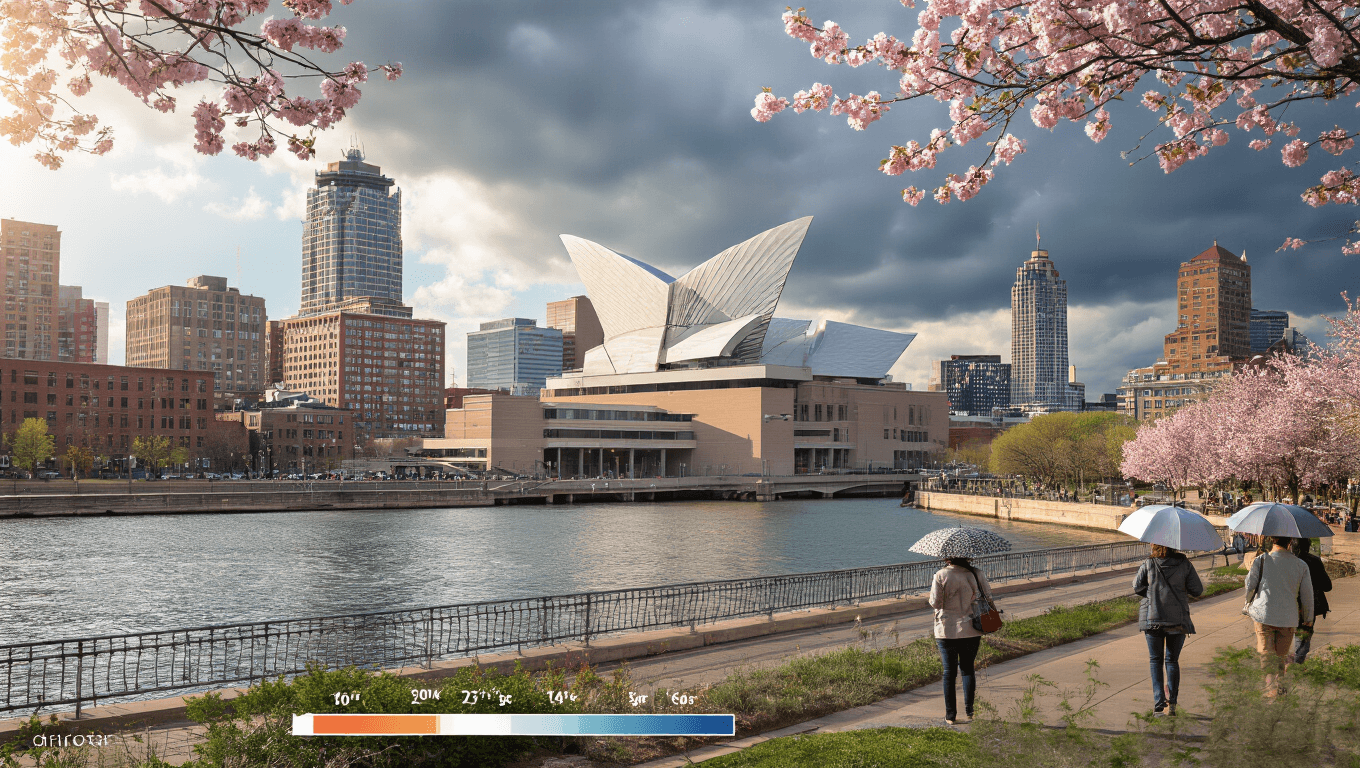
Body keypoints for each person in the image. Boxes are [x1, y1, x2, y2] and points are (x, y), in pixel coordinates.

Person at [1133, 544, 1204, 716]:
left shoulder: (1149, 564)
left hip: (1152, 619)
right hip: (1177, 620)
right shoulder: (1184, 563)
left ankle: (1158, 703)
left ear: (1154, 545)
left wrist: (1152, 593)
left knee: (1155, 660)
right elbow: (1197, 590)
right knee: (1172, 661)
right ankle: (1172, 703)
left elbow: (1137, 586)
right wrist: (1180, 590)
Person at [1243, 535, 1314, 695]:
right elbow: (1307, 596)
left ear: (1271, 540)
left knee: (1266, 653)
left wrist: (1248, 602)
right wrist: (1308, 618)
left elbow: (1249, 587)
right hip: (1287, 618)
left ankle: (1271, 689)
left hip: (1263, 615)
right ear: (1290, 541)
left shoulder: (1260, 561)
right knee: (1281, 656)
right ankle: (1279, 686)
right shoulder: (1300, 565)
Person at [929, 556, 993, 725]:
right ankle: (970, 711)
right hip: (972, 628)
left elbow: (935, 603)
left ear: (947, 558)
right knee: (967, 669)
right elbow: (988, 596)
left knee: (949, 673)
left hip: (946, 630)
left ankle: (950, 716)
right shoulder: (976, 573)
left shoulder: (941, 575)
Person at [1289, 538, 1333, 664]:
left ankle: (1292, 664)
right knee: (1303, 637)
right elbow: (1327, 586)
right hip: (1309, 605)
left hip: (1288, 605)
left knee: (1288, 638)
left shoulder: (1287, 562)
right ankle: (1295, 665)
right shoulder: (1314, 561)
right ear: (1308, 547)